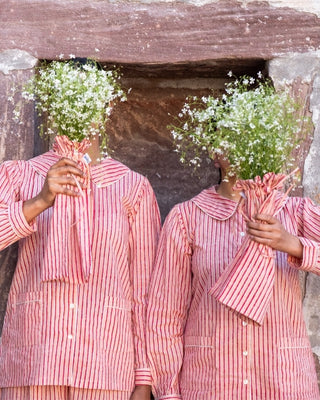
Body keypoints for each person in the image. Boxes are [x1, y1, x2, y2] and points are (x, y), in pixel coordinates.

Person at [0, 59, 160, 400]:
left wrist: (144, 377)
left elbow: (146, 289)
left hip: (105, 365)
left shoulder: (133, 188)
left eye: (90, 98)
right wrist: (41, 200)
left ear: (106, 104)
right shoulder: (21, 175)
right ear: (53, 106)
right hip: (34, 359)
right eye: (69, 97)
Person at [146, 155, 320, 399]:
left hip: (284, 382)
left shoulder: (295, 212)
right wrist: (168, 392)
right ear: (214, 152)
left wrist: (293, 245)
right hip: (211, 383)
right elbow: (165, 315)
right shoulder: (186, 218)